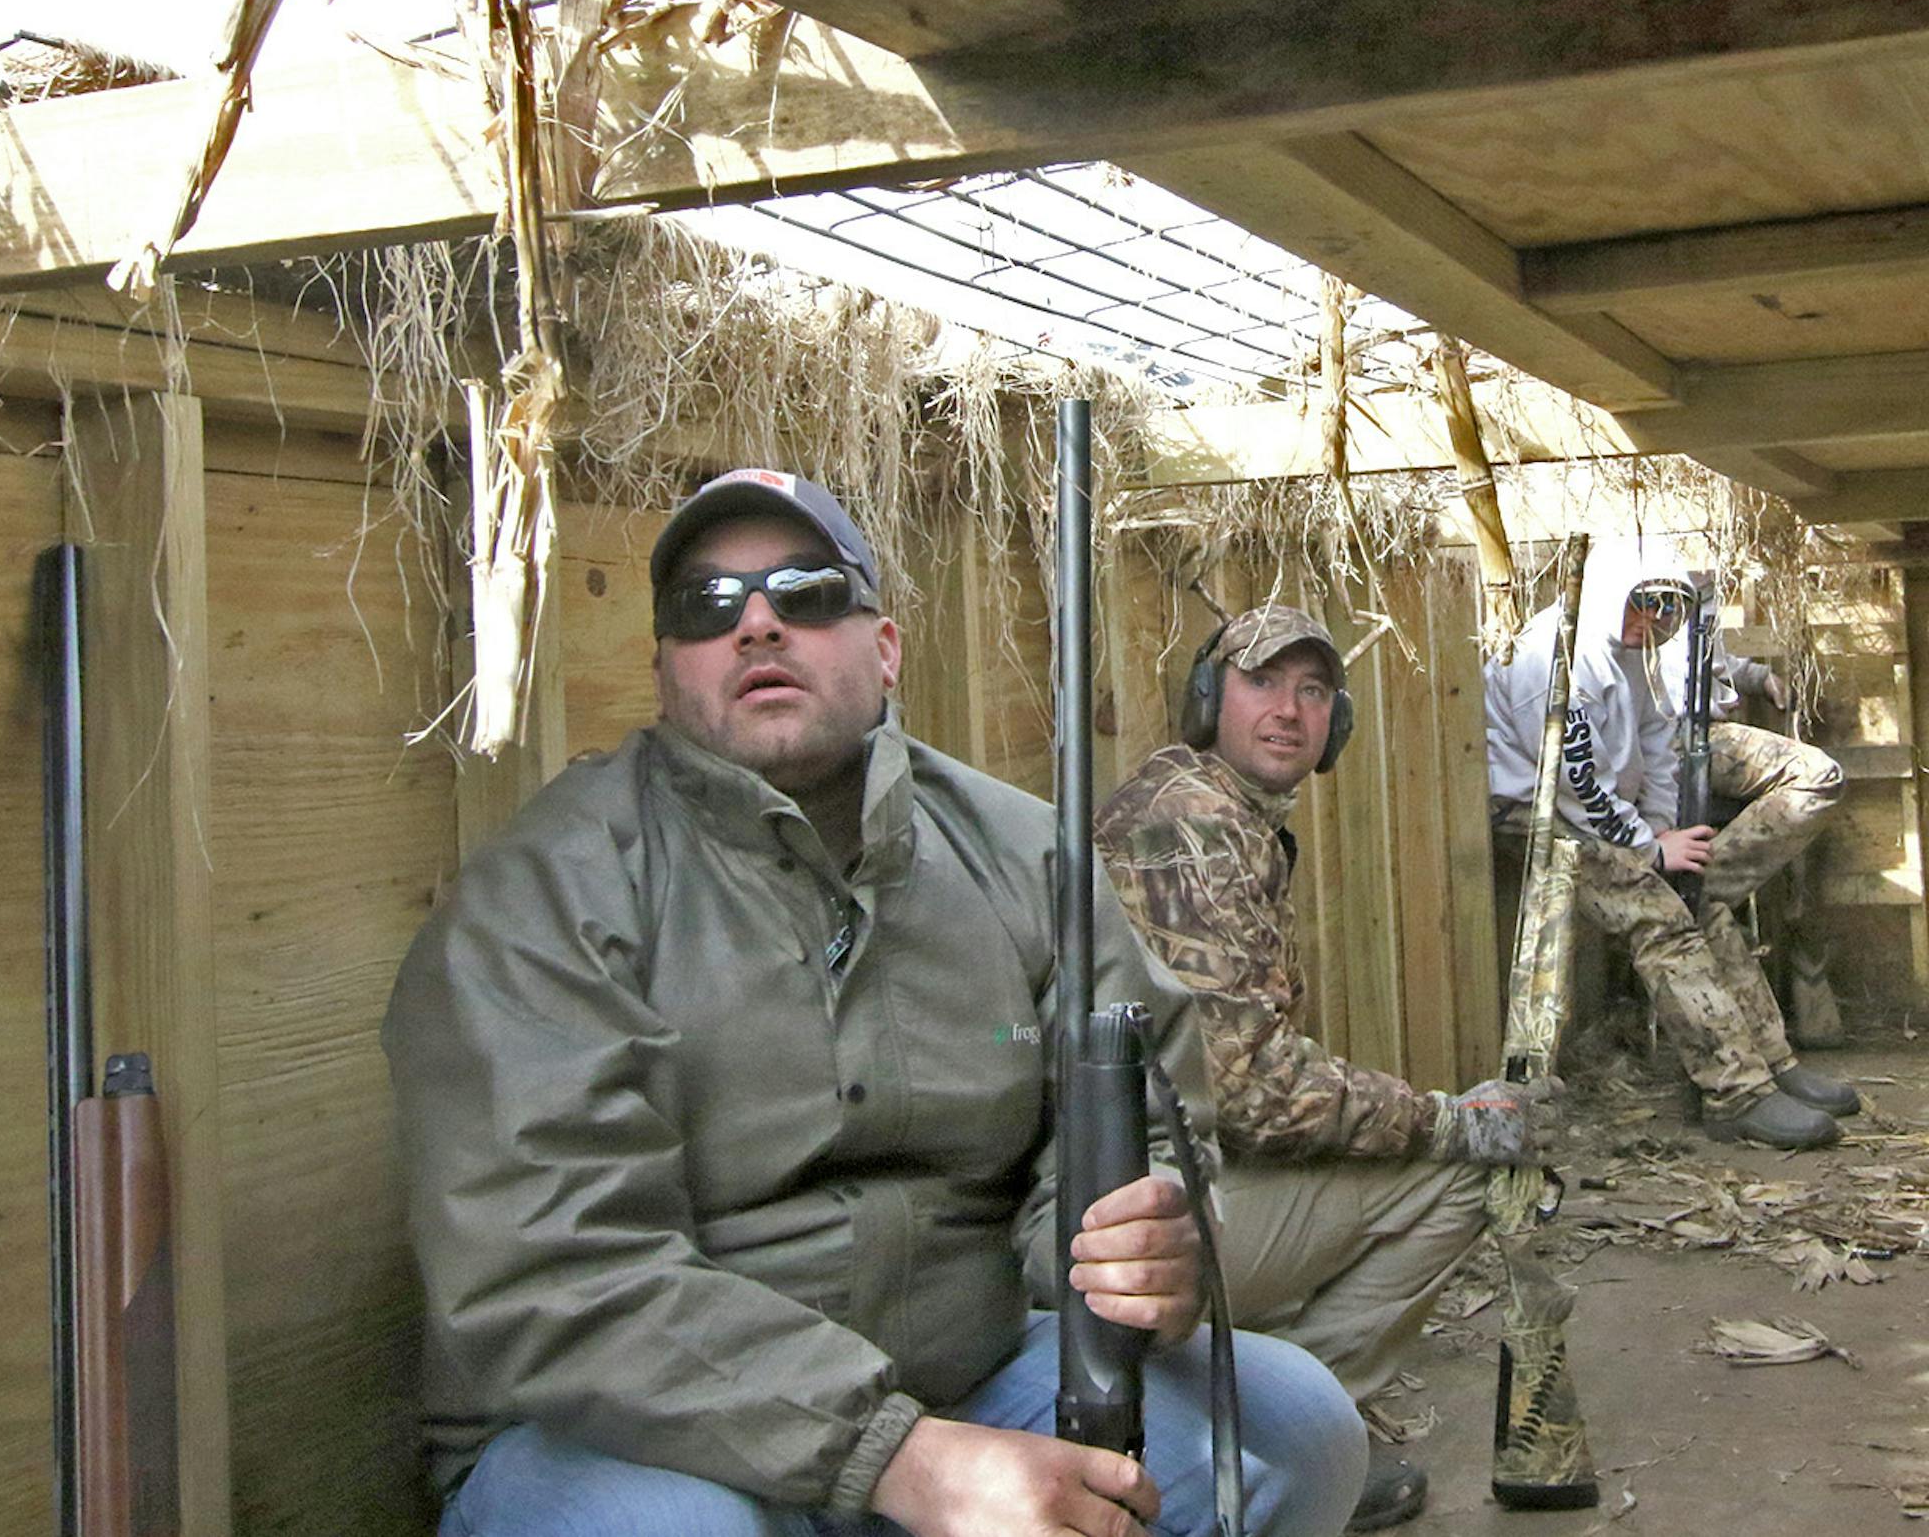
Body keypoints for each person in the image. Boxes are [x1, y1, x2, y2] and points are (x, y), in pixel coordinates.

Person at [383, 469, 1368, 1537]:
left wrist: (1142, 1246)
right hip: (643, 1431)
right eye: (707, 608)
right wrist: (892, 1454)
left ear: (885, 648)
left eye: (806, 592)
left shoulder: (1023, 852)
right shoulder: (547, 890)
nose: (757, 623)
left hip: (964, 1376)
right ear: (666, 670)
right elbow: (556, 1268)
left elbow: (1145, 1101)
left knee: (1293, 1428)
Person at [1095, 605, 1559, 1533]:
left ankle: (1252, 1416)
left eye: (1314, 691)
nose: (1289, 710)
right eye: (1261, 682)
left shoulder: (1212, 807)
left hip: (1149, 1193)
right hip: (1131, 1219)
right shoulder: (1191, 822)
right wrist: (1457, 1120)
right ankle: (1276, 1442)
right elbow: (1254, 1090)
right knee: (1472, 1164)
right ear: (1208, 699)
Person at [1485, 537, 1858, 1149]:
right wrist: (1649, 850)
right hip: (1535, 812)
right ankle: (1733, 1092)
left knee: (1699, 901)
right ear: (1612, 598)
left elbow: (1658, 742)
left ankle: (1772, 1063)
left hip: (1599, 810)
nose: (1652, 621)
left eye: (1665, 609)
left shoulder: (1633, 650)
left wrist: (1660, 826)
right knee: (1661, 913)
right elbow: (1575, 783)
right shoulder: (1552, 661)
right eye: (1641, 605)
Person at [1656, 587, 1849, 1047]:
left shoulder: (1699, 579)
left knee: (1800, 829)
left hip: (1706, 732)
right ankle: (1697, 898)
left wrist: (1759, 677)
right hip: (1678, 736)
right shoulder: (1647, 573)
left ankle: (1704, 899)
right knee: (1818, 775)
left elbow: (1711, 660)